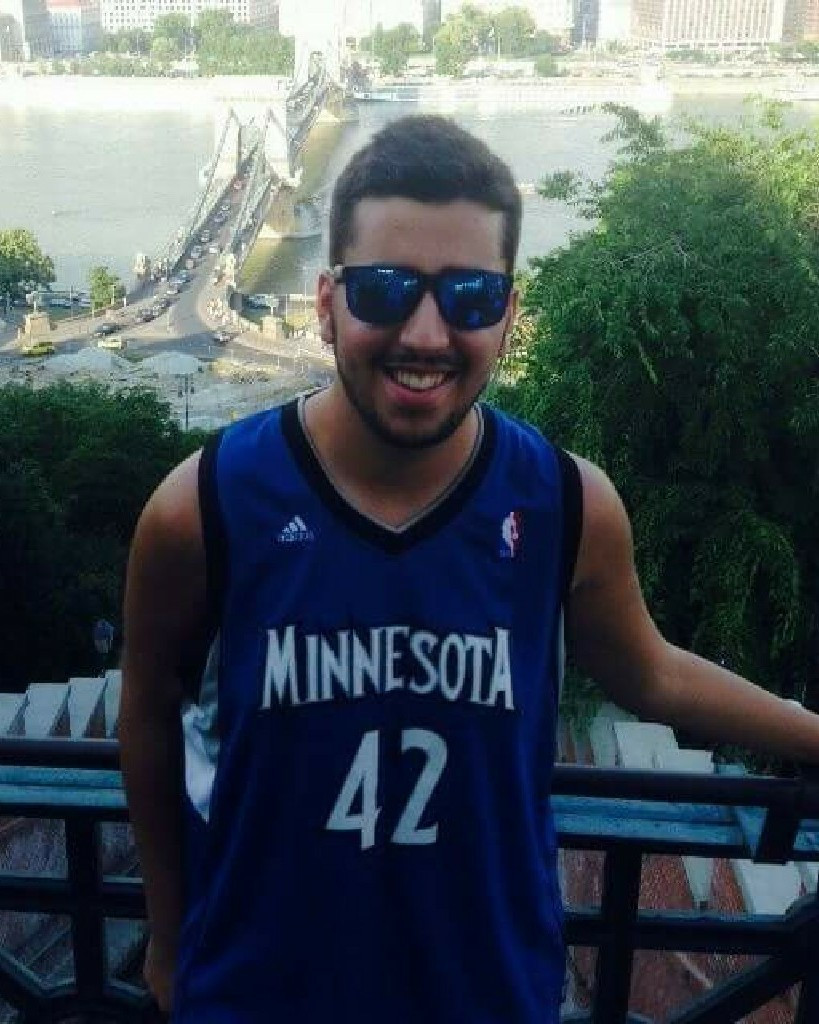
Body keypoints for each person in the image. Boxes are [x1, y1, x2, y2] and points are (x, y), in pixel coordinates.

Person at [120, 115, 819, 1024]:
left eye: (470, 298)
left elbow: (650, 673)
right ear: (326, 302)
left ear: (509, 314)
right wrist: (168, 934)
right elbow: (148, 709)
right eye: (383, 290)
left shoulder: (564, 503)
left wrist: (809, 733)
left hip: (484, 989)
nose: (425, 333)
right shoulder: (206, 504)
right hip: (258, 987)